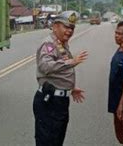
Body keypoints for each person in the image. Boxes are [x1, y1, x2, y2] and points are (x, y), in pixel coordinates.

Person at [33, 10, 88, 146]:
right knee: (47, 141)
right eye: (66, 27)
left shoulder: (61, 44)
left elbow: (58, 72)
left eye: (72, 28)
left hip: (59, 101)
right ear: (55, 26)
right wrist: (71, 61)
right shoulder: (49, 44)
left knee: (56, 140)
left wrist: (71, 87)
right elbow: (45, 66)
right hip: (50, 101)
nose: (69, 31)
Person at [107, 21, 123, 144]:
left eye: (120, 33)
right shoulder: (120, 49)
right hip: (116, 100)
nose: (116, 35)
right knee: (121, 135)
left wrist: (122, 105)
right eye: (116, 33)